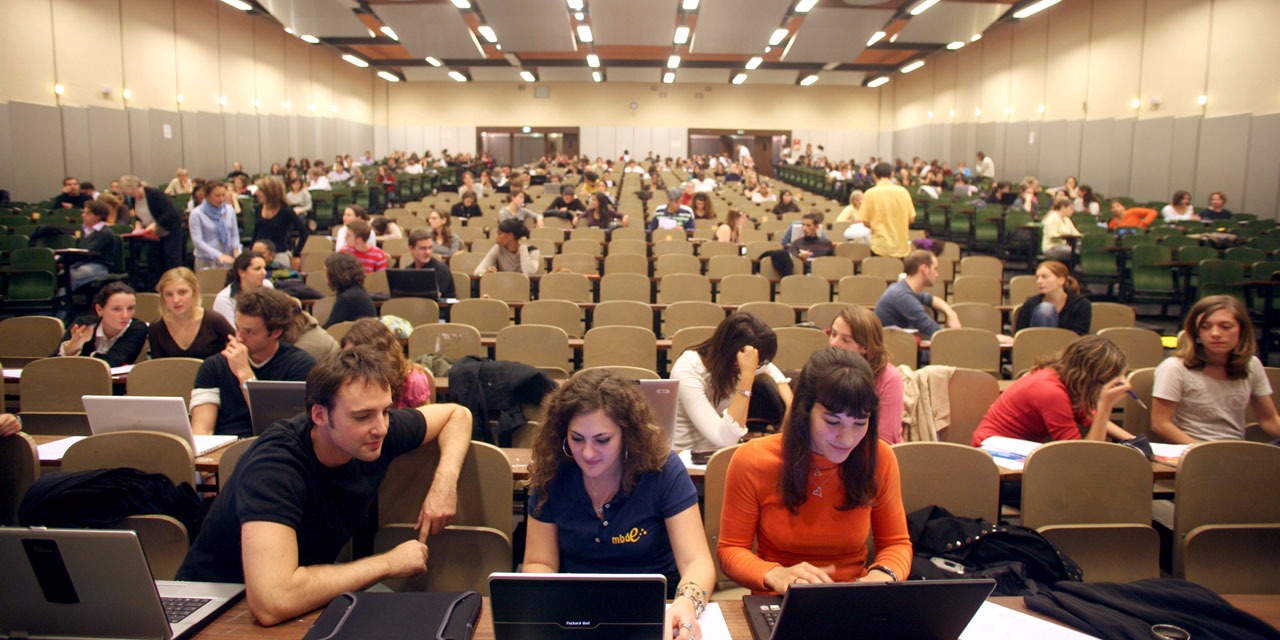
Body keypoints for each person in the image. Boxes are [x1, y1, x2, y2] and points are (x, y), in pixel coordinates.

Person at [176, 347, 471, 626]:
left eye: (385, 411)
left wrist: (444, 483)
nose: (381, 427)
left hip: (298, 599)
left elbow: (457, 414)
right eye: (362, 416)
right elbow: (271, 601)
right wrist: (388, 563)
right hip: (219, 607)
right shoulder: (277, 466)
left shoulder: (375, 433)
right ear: (319, 415)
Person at [523, 369, 715, 640]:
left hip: (657, 612)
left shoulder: (663, 470)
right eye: (577, 439)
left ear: (627, 435)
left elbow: (697, 561)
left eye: (602, 440)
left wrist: (685, 603)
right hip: (577, 614)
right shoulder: (553, 471)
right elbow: (539, 562)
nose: (588, 453)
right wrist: (553, 608)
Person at [718, 348, 912, 593]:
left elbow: (896, 544)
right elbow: (731, 550)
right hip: (779, 597)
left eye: (860, 423)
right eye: (832, 422)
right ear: (804, 411)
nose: (847, 438)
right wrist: (774, 573)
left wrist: (879, 577)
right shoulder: (753, 460)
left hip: (854, 595)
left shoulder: (879, 457)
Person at [1151, 295, 1280, 443]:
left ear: (1241, 330)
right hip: (1191, 451)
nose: (1215, 334)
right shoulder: (1174, 367)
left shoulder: (1252, 364)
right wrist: (1205, 452)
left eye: (1225, 327)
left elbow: (1269, 420)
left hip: (1236, 450)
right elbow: (1160, 424)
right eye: (1205, 327)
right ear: (1197, 332)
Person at [191, 288, 316, 438]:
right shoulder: (214, 366)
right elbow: (201, 432)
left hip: (274, 448)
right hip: (223, 449)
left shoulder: (300, 366)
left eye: (249, 332)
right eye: (237, 328)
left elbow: (280, 430)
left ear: (276, 332)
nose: (239, 338)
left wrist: (244, 373)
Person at [971, 335, 1137, 446]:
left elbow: (1089, 416)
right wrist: (1105, 406)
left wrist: (1132, 440)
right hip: (995, 454)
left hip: (1017, 448)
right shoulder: (1051, 391)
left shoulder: (1065, 379)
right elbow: (1083, 455)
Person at [671, 312, 794, 452]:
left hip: (723, 453)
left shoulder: (739, 362)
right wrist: (747, 377)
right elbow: (724, 439)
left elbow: (772, 370)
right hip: (689, 457)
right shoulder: (687, 370)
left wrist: (790, 404)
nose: (756, 366)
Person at [826, 306, 904, 444]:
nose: (833, 343)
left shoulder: (889, 378)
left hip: (871, 455)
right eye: (833, 334)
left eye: (846, 340)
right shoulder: (824, 369)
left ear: (866, 347)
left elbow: (884, 440)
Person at [340, 318, 432, 408]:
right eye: (348, 355)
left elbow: (426, 421)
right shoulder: (345, 380)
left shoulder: (413, 380)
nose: (350, 363)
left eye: (358, 357)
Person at [148, 267, 235, 360]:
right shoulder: (156, 327)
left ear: (195, 292)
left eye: (182, 292)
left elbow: (240, 348)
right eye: (169, 294)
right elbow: (157, 367)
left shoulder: (214, 320)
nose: (175, 300)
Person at [53, 281, 147, 367]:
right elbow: (51, 364)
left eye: (130, 308)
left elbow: (111, 362)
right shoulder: (83, 325)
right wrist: (70, 350)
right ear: (99, 310)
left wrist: (81, 356)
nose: (125, 315)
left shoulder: (137, 328)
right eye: (116, 309)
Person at [873, 249, 959, 339]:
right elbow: (935, 332)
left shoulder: (903, 288)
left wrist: (951, 314)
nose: (937, 274)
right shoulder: (903, 296)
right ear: (924, 269)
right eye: (935, 269)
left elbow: (933, 300)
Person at [119, 174, 184, 285]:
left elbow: (169, 213)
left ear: (137, 186)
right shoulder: (134, 200)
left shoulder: (154, 194)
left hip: (169, 231)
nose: (131, 195)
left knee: (171, 261)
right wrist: (137, 226)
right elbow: (139, 216)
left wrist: (155, 224)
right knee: (153, 262)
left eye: (132, 192)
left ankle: (177, 284)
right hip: (153, 235)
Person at [1014, 260, 1092, 336]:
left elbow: (1080, 336)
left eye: (1044, 277)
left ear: (1061, 280)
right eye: (1037, 277)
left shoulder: (1081, 304)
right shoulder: (1030, 304)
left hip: (1068, 347)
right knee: (1046, 308)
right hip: (1035, 347)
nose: (1039, 281)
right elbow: (1021, 335)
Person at [857, 163, 916, 258]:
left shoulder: (870, 194)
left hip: (880, 246)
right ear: (891, 174)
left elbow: (865, 222)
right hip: (901, 246)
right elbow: (911, 219)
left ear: (874, 175)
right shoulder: (903, 192)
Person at [252, 177, 309, 271]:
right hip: (259, 255)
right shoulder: (259, 208)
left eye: (260, 190)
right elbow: (256, 232)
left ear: (269, 192)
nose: (257, 193)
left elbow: (304, 232)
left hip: (278, 255)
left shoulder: (285, 211)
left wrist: (296, 254)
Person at [213, 251, 274, 330]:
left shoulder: (267, 285)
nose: (264, 273)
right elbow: (230, 332)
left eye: (264, 268)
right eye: (257, 269)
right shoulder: (224, 299)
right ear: (241, 272)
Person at [189, 180, 242, 270]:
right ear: (207, 195)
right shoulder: (197, 214)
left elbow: (234, 234)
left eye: (223, 195)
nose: (221, 199)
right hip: (206, 259)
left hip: (228, 257)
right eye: (217, 196)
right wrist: (218, 255)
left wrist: (236, 250)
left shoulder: (229, 210)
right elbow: (197, 241)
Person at [67, 200, 118, 291]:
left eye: (88, 213)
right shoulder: (84, 231)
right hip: (81, 263)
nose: (83, 215)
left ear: (99, 215)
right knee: (63, 274)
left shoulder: (104, 232)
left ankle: (63, 299)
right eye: (83, 212)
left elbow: (89, 251)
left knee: (75, 276)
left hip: (99, 266)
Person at [323, 252, 378, 328]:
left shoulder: (347, 298)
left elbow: (330, 328)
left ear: (334, 273)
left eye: (325, 272)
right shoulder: (356, 292)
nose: (324, 276)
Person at [473, 218, 541, 277]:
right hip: (504, 286)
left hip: (524, 288)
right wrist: (486, 273)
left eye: (500, 234)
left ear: (510, 235)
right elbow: (477, 272)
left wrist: (522, 249)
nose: (496, 238)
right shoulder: (498, 248)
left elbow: (529, 273)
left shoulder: (533, 251)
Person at [403, 229, 457, 299]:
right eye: (423, 248)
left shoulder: (441, 269)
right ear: (411, 249)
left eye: (430, 248)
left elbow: (432, 298)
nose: (428, 252)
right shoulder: (409, 270)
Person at [1040, 197, 1081, 263]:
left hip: (1064, 246)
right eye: (1071, 209)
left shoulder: (1067, 219)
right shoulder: (1053, 218)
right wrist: (1065, 236)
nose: (1073, 211)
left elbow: (1076, 233)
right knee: (1075, 251)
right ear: (1063, 208)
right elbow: (1052, 235)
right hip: (1051, 248)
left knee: (1082, 249)